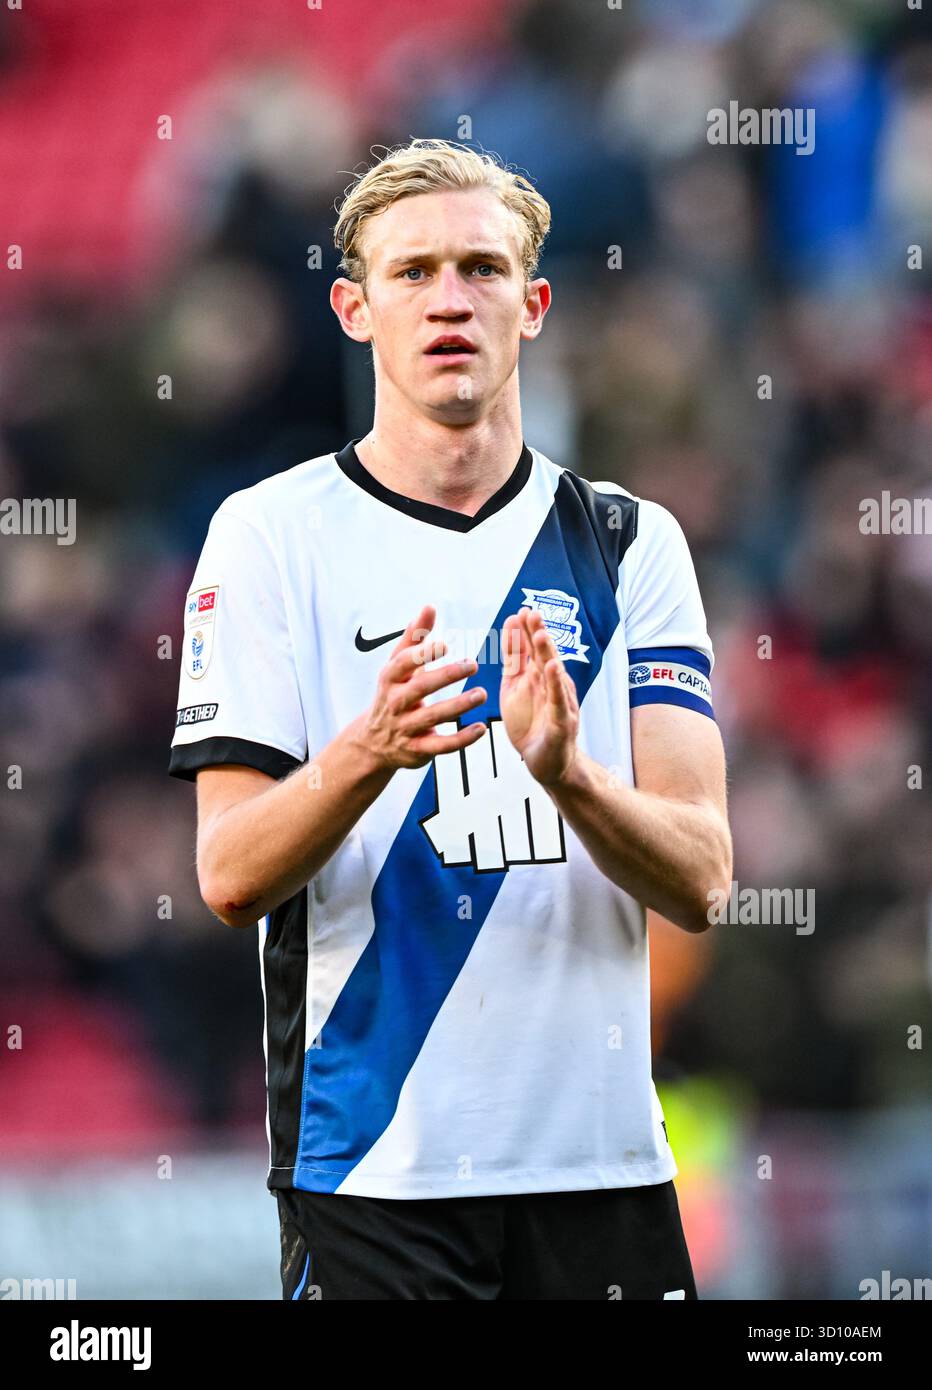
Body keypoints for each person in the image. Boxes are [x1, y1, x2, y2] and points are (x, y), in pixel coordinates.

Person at [169, 138, 732, 1300]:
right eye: (411, 272)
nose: (448, 300)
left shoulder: (631, 542)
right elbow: (227, 874)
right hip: (376, 1176)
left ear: (530, 307)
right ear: (352, 308)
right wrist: (369, 751)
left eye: (480, 269)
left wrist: (572, 775)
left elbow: (702, 876)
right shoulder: (273, 536)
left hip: (602, 1169)